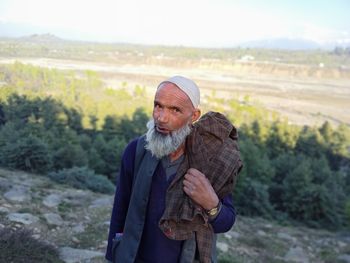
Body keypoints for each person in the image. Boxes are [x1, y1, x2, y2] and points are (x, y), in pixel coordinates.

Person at [105, 76, 242, 263]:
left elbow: (226, 222)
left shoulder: (210, 161)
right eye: (158, 105)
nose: (161, 118)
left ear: (194, 116)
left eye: (175, 110)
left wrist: (211, 203)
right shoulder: (136, 151)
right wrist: (113, 256)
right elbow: (120, 210)